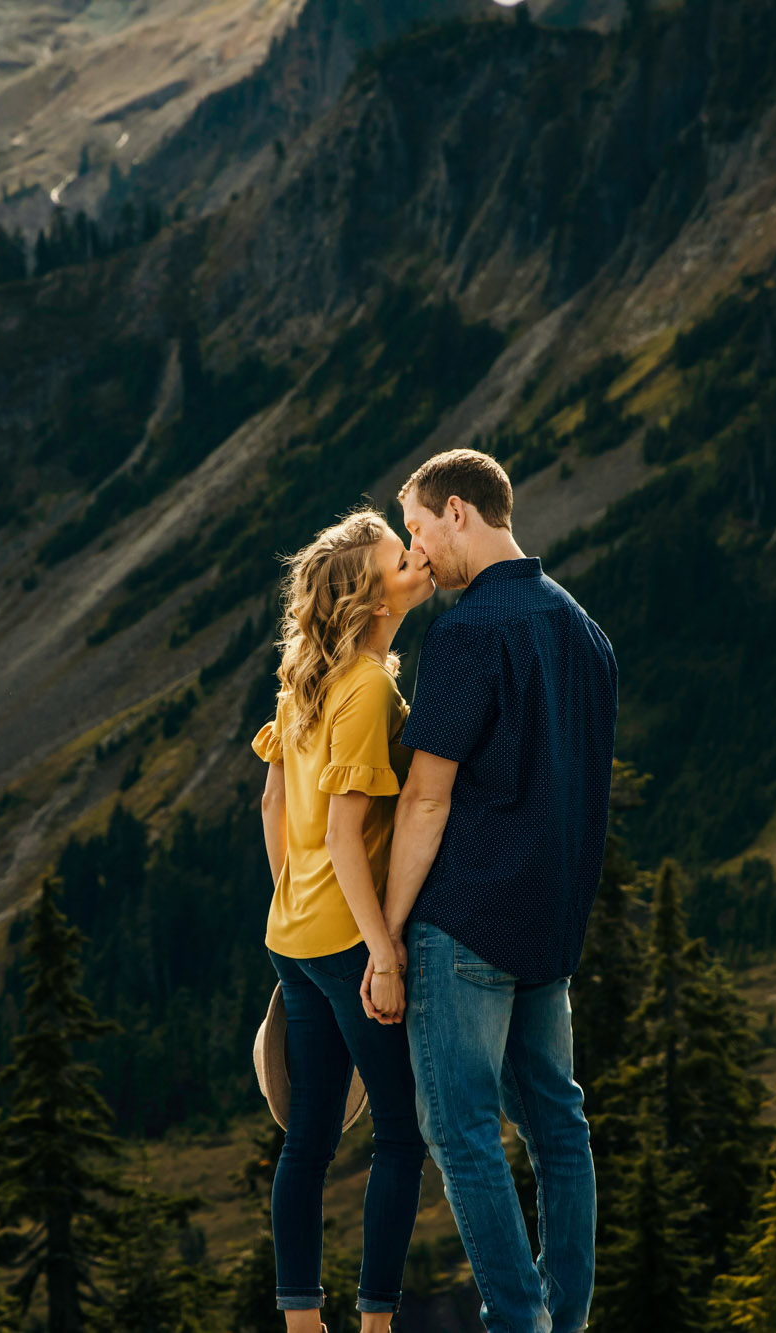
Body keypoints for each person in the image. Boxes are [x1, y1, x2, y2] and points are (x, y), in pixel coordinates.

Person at [362, 448, 618, 1333]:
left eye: (420, 530)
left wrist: (386, 932)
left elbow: (428, 798)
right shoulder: (585, 631)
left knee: (462, 1130)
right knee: (558, 1126)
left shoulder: (468, 631)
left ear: (460, 511)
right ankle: (564, 1315)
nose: (418, 552)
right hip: (548, 928)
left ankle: (520, 1319)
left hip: (464, 921)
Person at [253, 508, 438, 1332]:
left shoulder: (308, 679)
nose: (418, 558)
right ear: (371, 598)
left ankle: (300, 1321)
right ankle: (375, 1322)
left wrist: (294, 896)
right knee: (400, 1133)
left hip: (292, 937)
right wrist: (382, 948)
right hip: (344, 942)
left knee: (310, 1141)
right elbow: (340, 829)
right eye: (402, 557)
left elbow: (273, 801)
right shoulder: (366, 687)